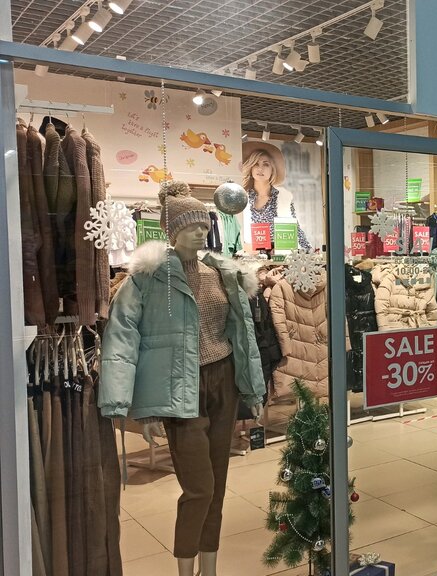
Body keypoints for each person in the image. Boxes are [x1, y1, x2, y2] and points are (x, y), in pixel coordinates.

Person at [99, 181, 265, 576]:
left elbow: (243, 336)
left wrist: (253, 388)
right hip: (180, 390)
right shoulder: (148, 278)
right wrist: (129, 406)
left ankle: (210, 569)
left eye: (204, 223)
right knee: (199, 489)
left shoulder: (221, 274)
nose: (200, 231)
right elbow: (121, 338)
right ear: (171, 230)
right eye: (190, 225)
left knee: (217, 487)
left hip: (223, 381)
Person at [239, 141, 311, 251]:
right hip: (250, 257)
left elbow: (295, 228)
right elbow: (236, 232)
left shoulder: (284, 198)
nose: (260, 168)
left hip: (279, 256)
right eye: (256, 164)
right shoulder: (242, 198)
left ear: (272, 169)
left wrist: (308, 250)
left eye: (266, 164)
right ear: (251, 168)